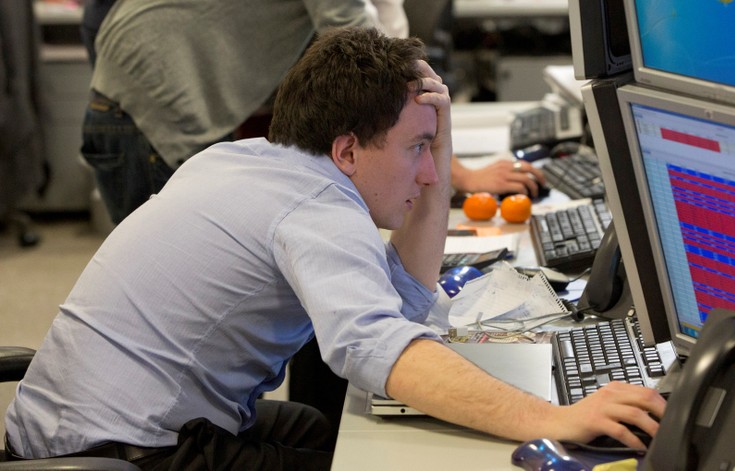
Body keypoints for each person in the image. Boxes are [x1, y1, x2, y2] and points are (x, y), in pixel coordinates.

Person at [5, 27, 664, 470]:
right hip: (126, 448)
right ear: (348, 148)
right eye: (415, 151)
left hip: (69, 420)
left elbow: (402, 298)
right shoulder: (316, 207)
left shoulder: (249, 160)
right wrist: (555, 416)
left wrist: (437, 136)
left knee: (321, 429)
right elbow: (380, 346)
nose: (430, 174)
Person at [79, 0, 544, 226]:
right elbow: (370, 54)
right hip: (150, 103)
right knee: (176, 307)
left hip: (149, 86)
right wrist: (452, 171)